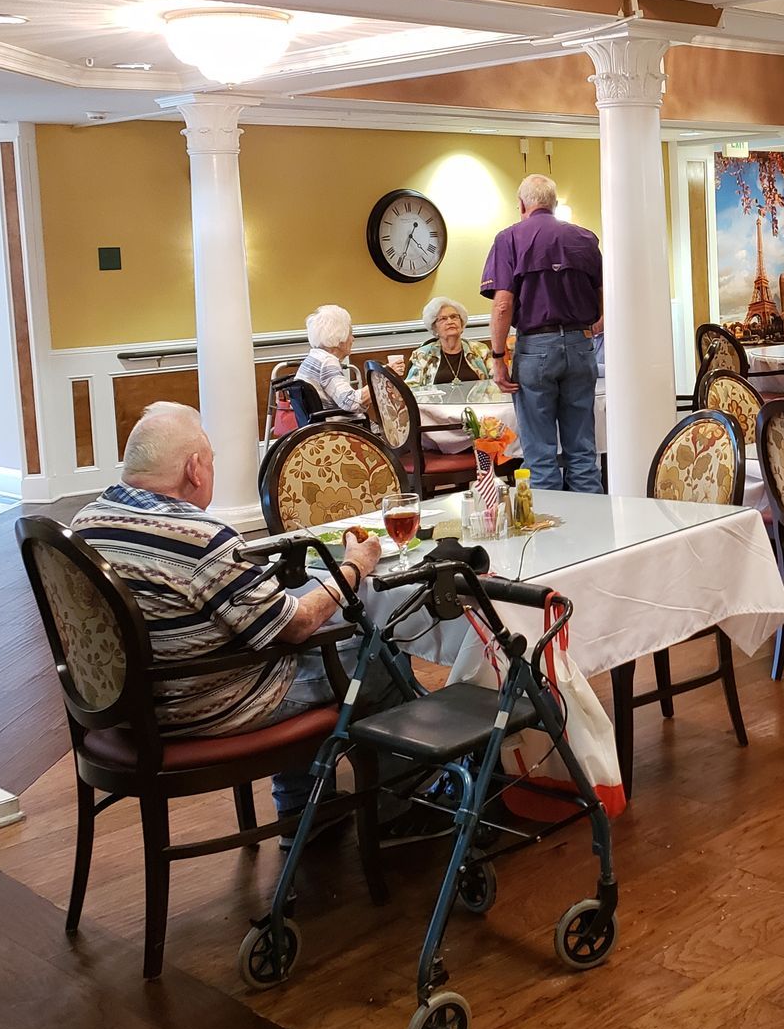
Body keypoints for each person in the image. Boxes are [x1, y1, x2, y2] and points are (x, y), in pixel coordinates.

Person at [70, 403, 392, 827]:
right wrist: (355, 566)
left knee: (308, 645)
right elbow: (296, 626)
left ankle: (305, 811)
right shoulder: (198, 538)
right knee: (378, 653)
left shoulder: (84, 523)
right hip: (204, 708)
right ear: (194, 469)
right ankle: (399, 811)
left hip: (120, 708)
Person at [483, 173, 604, 493]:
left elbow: (502, 305)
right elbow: (606, 301)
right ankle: (592, 534)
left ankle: (550, 536)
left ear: (522, 204)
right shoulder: (585, 239)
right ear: (555, 204)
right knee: (582, 451)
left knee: (540, 454)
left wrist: (498, 357)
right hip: (581, 346)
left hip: (535, 348)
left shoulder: (509, 239)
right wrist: (584, 330)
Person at [296, 304, 371, 415]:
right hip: (338, 428)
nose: (353, 339)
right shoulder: (327, 362)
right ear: (339, 337)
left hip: (319, 426)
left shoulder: (314, 357)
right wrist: (379, 381)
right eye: (350, 333)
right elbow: (350, 402)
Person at [406, 295, 479, 387]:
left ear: (462, 323)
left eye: (454, 317)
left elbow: (495, 382)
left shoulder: (480, 351)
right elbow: (411, 389)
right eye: (443, 319)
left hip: (477, 401)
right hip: (435, 401)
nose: (450, 321)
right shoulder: (423, 355)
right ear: (434, 328)